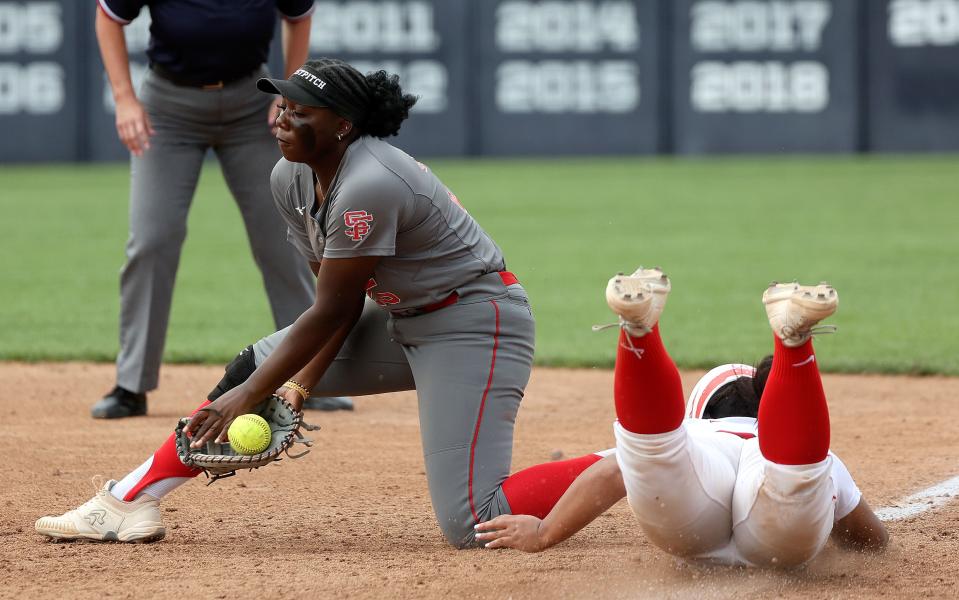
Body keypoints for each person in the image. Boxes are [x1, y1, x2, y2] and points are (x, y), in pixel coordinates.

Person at [35, 59, 610, 548]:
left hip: (476, 324)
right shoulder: (291, 178)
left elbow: (333, 311)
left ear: (343, 126)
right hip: (400, 319)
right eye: (282, 105)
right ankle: (128, 501)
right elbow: (340, 303)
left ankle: (635, 460)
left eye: (301, 110)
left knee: (473, 524)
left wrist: (253, 395)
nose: (283, 118)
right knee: (253, 365)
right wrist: (291, 384)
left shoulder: (370, 182)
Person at [476, 268, 889, 567]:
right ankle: (794, 343)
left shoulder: (695, 433)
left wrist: (544, 532)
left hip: (690, 517)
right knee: (796, 474)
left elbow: (610, 472)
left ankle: (638, 330)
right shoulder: (793, 442)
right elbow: (873, 542)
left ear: (697, 410)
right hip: (778, 513)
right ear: (767, 413)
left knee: (653, 450)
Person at [91, 0, 353, 418]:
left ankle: (305, 376)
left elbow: (299, 15)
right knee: (153, 238)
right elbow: (109, 16)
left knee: (284, 239)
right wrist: (124, 98)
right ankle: (131, 384)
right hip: (168, 107)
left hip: (253, 104)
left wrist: (289, 91)